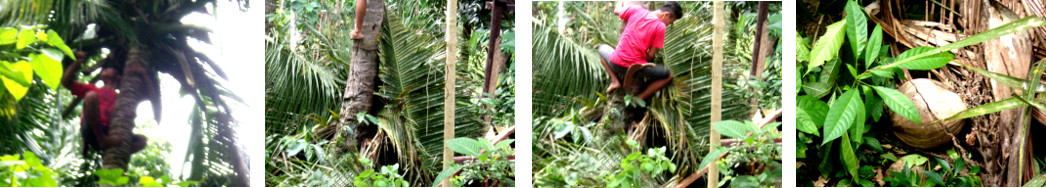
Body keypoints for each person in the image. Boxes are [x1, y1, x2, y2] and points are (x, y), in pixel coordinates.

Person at [61, 51, 147, 156]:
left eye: (109, 67)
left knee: (142, 140)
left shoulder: (122, 98)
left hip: (109, 132)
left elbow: (148, 94)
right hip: (92, 131)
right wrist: (77, 62)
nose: (104, 69)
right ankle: (102, 140)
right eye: (104, 68)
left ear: (118, 76)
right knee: (91, 96)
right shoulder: (93, 88)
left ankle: (116, 153)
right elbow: (66, 82)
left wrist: (142, 73)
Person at [599, 1, 683, 101]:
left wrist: (620, 1)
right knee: (668, 75)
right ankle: (640, 97)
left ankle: (615, 81)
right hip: (636, 69)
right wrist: (639, 56)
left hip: (615, 64)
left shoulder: (637, 10)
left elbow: (616, 10)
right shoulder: (660, 27)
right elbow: (651, 55)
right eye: (670, 22)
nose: (668, 25)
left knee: (601, 48)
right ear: (666, 15)